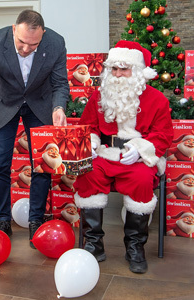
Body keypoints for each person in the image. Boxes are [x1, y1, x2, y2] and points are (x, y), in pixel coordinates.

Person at [73, 40, 174, 274]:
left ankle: (135, 247)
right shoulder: (99, 96)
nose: (118, 75)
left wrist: (141, 149)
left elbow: (163, 135)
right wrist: (92, 142)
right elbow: (87, 126)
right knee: (87, 173)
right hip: (105, 153)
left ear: (137, 71)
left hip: (137, 158)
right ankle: (93, 243)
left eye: (124, 69)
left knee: (141, 181)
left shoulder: (157, 99)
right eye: (114, 69)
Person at [0, 9, 69, 248]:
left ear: (43, 35)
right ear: (14, 29)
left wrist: (58, 108)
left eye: (33, 44)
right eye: (22, 42)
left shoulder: (56, 43)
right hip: (4, 103)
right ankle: (3, 218)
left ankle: (36, 219)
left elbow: (59, 83)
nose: (26, 49)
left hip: (40, 104)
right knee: (1, 164)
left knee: (42, 165)